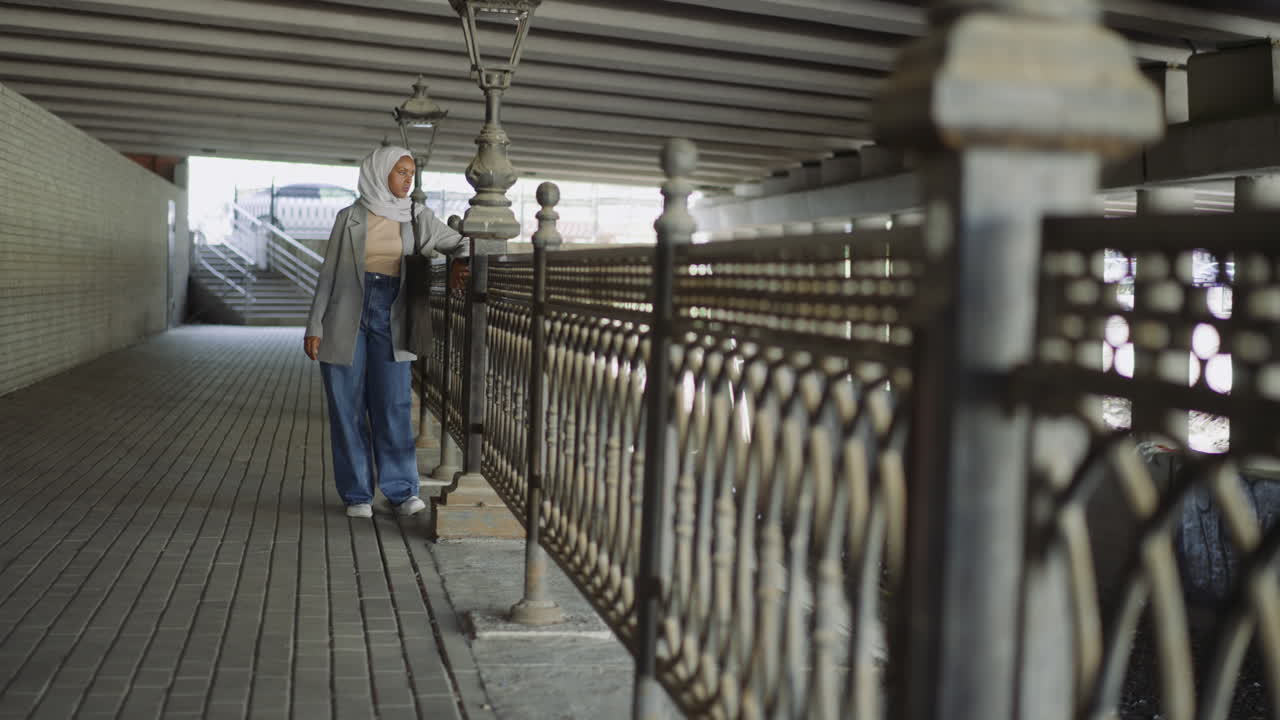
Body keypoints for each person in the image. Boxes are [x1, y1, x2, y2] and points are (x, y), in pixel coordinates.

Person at [303, 145, 468, 519]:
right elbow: (328, 273)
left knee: (393, 404)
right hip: (345, 316)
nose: (408, 180)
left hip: (394, 314)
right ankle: (357, 494)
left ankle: (401, 490)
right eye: (401, 172)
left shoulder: (417, 217)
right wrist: (314, 326)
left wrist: (462, 261)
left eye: (411, 174)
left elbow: (461, 241)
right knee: (347, 408)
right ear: (380, 173)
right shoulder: (349, 217)